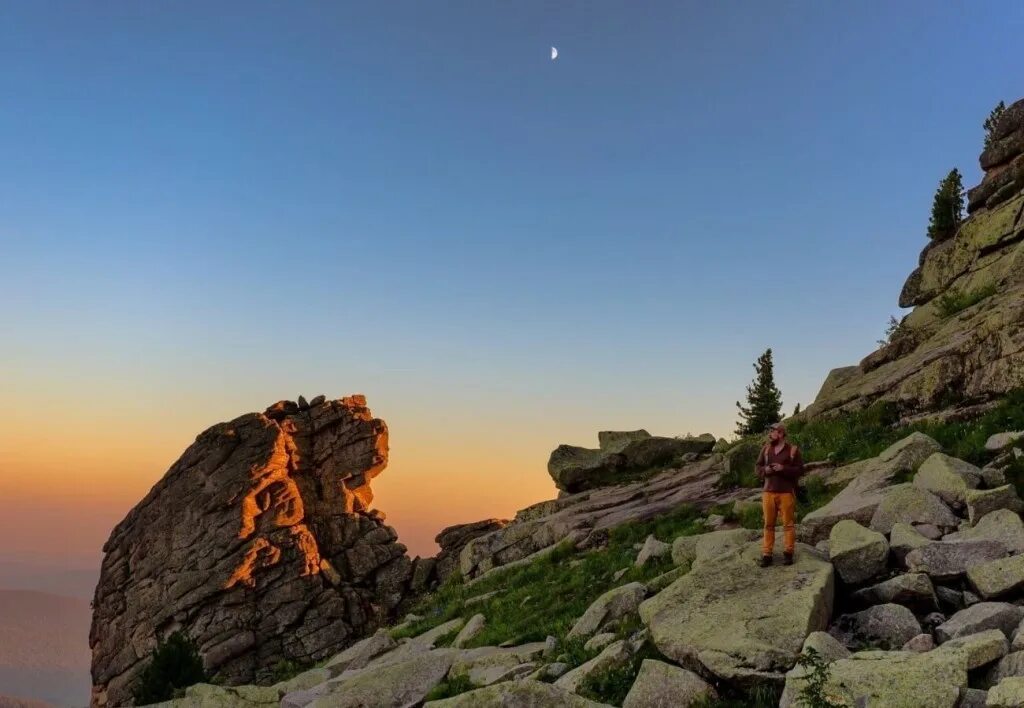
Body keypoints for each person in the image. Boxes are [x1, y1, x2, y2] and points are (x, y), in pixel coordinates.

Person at [755, 422, 804, 567]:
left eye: (773, 431)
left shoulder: (793, 450)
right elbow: (757, 467)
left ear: (781, 433)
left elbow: (800, 470)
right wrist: (765, 471)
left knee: (788, 525)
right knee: (768, 524)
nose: (770, 434)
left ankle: (788, 553)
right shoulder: (765, 449)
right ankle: (767, 555)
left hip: (786, 493)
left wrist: (783, 468)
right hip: (768, 493)